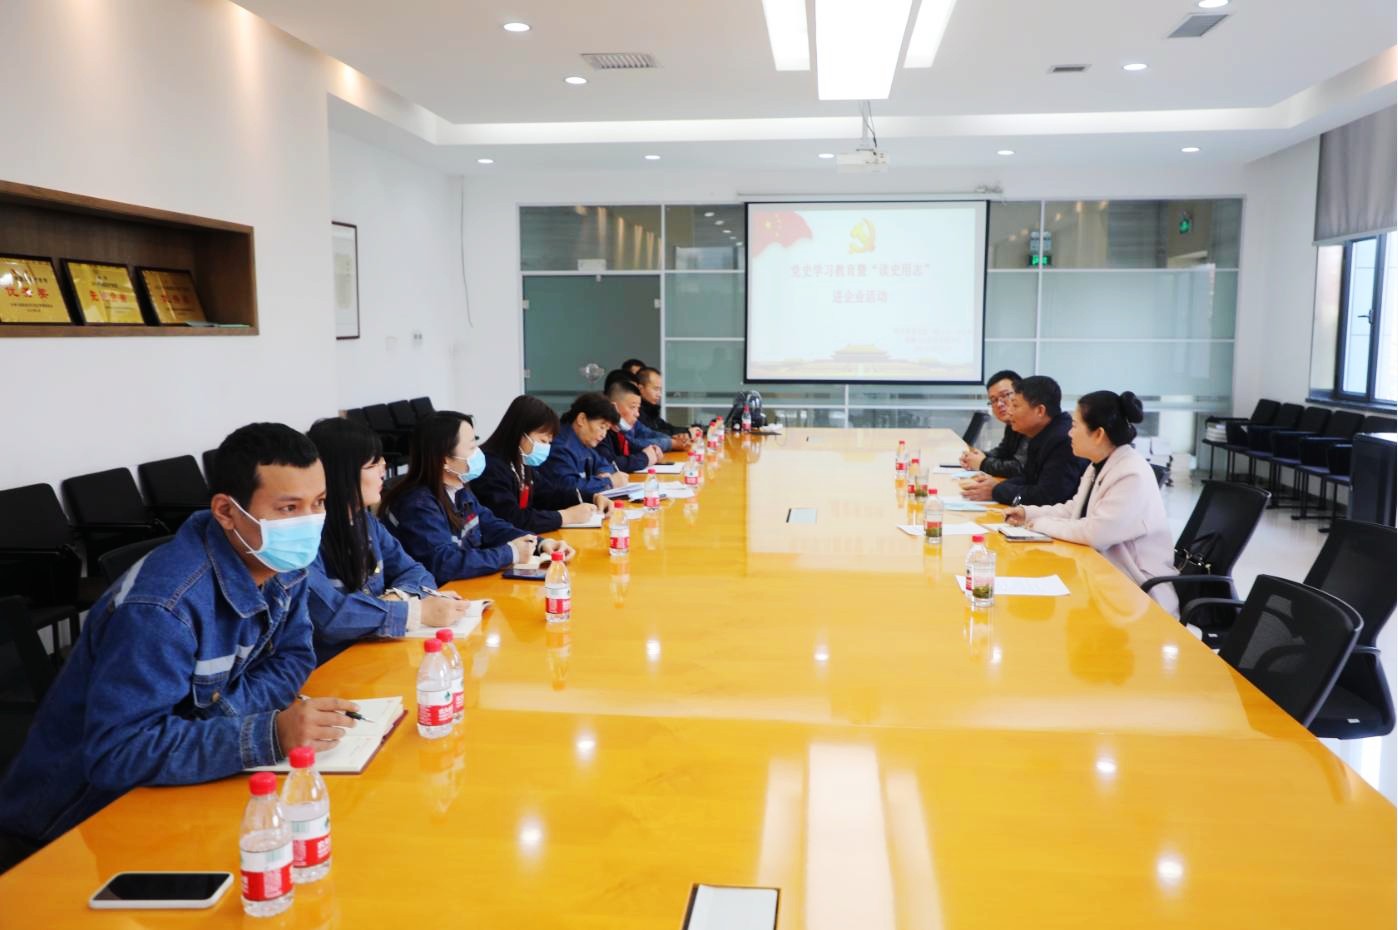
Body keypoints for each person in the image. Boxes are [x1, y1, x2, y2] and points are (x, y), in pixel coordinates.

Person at [0, 423, 358, 852]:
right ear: (226, 512)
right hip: (74, 825)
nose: (309, 522)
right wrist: (268, 734)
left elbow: (294, 657)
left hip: (182, 789)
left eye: (318, 502)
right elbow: (118, 753)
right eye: (288, 508)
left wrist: (220, 717)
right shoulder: (161, 609)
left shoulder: (281, 564)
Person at [304, 417, 471, 665]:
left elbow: (417, 572)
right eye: (372, 465)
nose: (384, 470)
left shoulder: (366, 523)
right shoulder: (307, 539)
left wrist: (396, 598)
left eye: (382, 461)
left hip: (374, 654)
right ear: (339, 475)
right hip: (335, 666)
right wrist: (415, 612)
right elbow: (331, 617)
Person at [1006, 391, 1177, 614]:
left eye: (1075, 426)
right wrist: (1028, 514)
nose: (1069, 433)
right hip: (1104, 578)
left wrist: (1040, 525)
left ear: (1098, 434)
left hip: (1138, 594)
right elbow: (1074, 510)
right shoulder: (1099, 464)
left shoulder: (1131, 473)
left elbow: (1096, 533)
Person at [381, 411, 572, 585]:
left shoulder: (458, 487)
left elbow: (490, 525)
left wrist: (540, 544)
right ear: (445, 459)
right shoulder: (417, 504)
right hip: (435, 596)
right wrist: (511, 553)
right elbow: (444, 564)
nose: (478, 453)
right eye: (472, 447)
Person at [474, 394, 611, 533]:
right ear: (521, 434)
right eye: (543, 441)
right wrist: (565, 517)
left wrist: (591, 497)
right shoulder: (490, 467)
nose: (546, 448)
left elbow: (548, 494)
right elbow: (513, 519)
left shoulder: (521, 462)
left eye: (549, 442)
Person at [963, 375, 1087, 505]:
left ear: (1040, 411)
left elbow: (1047, 497)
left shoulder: (1063, 440)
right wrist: (998, 486)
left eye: (1015, 406)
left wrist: (996, 491)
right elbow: (1028, 478)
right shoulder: (1041, 433)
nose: (1010, 411)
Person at [535, 392, 629, 501]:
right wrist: (608, 482)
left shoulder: (583, 442)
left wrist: (603, 473)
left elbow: (604, 464)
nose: (603, 435)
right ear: (582, 419)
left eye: (607, 430)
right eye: (602, 427)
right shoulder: (561, 447)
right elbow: (570, 489)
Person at [960, 369, 1026, 478]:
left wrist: (982, 463)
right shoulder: (1012, 423)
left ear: (1022, 394)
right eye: (994, 400)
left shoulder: (1032, 423)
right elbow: (1003, 452)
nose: (999, 404)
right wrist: (976, 457)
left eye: (1005, 395)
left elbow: (1020, 468)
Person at [600, 379, 664, 472]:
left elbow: (631, 448)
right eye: (633, 407)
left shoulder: (618, 431)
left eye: (638, 408)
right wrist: (645, 458)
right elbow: (610, 464)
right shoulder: (600, 431)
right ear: (613, 407)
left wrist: (652, 451)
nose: (637, 414)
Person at [634, 366, 692, 449]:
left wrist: (688, 431)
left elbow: (667, 428)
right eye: (656, 389)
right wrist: (686, 433)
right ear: (640, 389)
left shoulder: (651, 410)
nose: (659, 394)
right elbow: (650, 434)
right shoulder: (637, 411)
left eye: (660, 390)